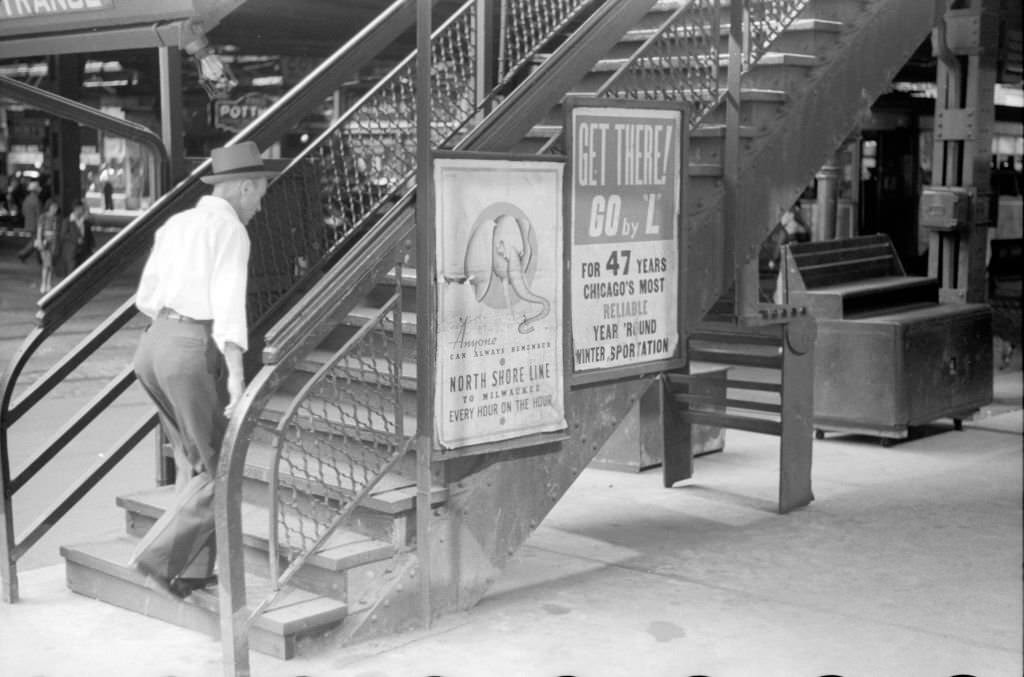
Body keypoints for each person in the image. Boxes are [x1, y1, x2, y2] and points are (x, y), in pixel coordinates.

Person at [129, 141, 275, 598]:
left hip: (153, 345)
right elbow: (229, 309)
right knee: (221, 471)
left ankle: (190, 570)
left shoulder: (178, 223)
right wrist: (236, 378)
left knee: (196, 464)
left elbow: (147, 293)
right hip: (190, 348)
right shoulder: (230, 231)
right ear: (244, 186)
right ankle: (154, 560)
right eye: (259, 194)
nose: (259, 204)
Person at [35, 199, 60, 294]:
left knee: (51, 264)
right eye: (53, 207)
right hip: (45, 242)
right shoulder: (43, 217)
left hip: (53, 242)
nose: (55, 209)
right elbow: (39, 230)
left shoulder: (56, 218)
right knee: (47, 264)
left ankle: (49, 283)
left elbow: (56, 231)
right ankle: (44, 283)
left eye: (56, 207)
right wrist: (40, 241)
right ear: (49, 207)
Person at [16, 181, 42, 263]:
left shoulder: (26, 199)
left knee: (36, 241)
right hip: (36, 224)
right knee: (36, 241)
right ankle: (22, 254)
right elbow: (39, 214)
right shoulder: (36, 200)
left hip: (28, 223)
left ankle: (38, 259)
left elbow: (23, 211)